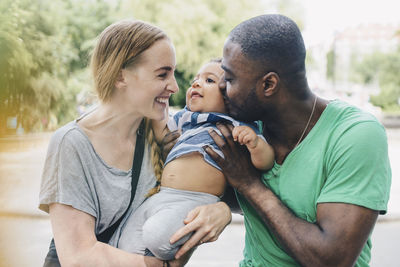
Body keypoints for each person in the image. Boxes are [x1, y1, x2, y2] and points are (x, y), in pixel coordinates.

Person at [38, 20, 232, 267]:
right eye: (163, 74)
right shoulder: (71, 144)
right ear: (121, 76)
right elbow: (78, 257)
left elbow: (199, 189)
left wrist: (221, 211)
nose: (174, 86)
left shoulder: (165, 132)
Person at [204, 14, 392, 267]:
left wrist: (250, 184)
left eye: (230, 78)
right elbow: (225, 194)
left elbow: (330, 259)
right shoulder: (248, 127)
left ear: (268, 84)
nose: (222, 87)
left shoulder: (356, 135)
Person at [111, 59, 275, 260]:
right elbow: (160, 128)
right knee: (124, 241)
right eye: (195, 80)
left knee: (157, 238)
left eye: (209, 80)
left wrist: (255, 145)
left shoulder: (236, 125)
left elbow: (265, 162)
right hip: (163, 195)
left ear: (231, 96)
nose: (196, 84)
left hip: (195, 199)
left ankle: (165, 254)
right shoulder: (186, 118)